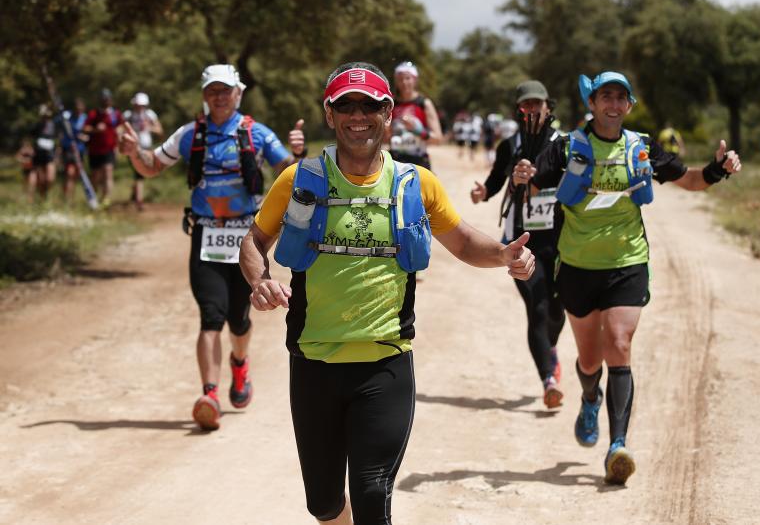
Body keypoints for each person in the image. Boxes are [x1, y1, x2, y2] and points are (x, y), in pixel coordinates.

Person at [238, 61, 534, 525]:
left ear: (388, 112)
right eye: (346, 106)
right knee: (324, 503)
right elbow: (253, 242)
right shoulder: (299, 181)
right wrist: (259, 281)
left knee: (373, 494)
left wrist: (503, 256)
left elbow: (461, 240)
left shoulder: (414, 184)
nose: (359, 115)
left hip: (385, 363)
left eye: (370, 105)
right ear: (330, 115)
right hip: (314, 362)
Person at [521, 71, 742, 485]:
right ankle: (590, 396)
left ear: (629, 106)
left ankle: (617, 445)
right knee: (589, 359)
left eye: (621, 98)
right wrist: (522, 178)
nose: (613, 105)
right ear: (592, 103)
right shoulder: (567, 146)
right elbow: (533, 184)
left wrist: (718, 169)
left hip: (627, 261)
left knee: (619, 343)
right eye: (606, 96)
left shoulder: (641, 147)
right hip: (577, 264)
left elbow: (690, 180)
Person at [118, 64, 306, 431]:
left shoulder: (256, 133)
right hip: (206, 237)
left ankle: (240, 363)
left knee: (239, 319)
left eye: (226, 90)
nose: (219, 97)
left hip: (247, 239)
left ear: (239, 93)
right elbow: (152, 166)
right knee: (210, 315)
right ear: (205, 95)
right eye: (212, 91)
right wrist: (133, 153)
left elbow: (290, 172)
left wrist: (298, 152)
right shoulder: (190, 135)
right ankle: (209, 395)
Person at [471, 80, 565, 410]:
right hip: (522, 241)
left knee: (556, 310)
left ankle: (549, 349)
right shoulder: (509, 145)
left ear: (548, 108)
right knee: (536, 308)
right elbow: (497, 178)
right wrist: (485, 191)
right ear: (518, 109)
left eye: (538, 104)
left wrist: (539, 180)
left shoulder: (562, 144)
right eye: (526, 105)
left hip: (560, 240)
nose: (532, 110)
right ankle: (548, 381)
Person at [387, 61, 443, 169]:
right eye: (400, 79)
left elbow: (438, 139)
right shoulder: (391, 104)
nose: (404, 82)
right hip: (395, 161)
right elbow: (385, 138)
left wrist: (418, 130)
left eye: (407, 78)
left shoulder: (424, 103)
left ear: (415, 79)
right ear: (396, 81)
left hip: (419, 161)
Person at [84, 89, 124, 206]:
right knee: (95, 176)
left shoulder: (115, 114)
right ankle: (93, 199)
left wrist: (120, 131)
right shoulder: (94, 114)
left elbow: (122, 126)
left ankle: (106, 199)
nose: (106, 101)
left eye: (108, 99)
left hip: (109, 149)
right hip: (94, 150)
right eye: (104, 99)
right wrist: (96, 129)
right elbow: (85, 128)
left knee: (108, 172)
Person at [123, 92, 163, 210]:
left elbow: (159, 130)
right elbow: (121, 129)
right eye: (138, 105)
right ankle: (139, 202)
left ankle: (135, 194)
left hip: (146, 147)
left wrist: (149, 127)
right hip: (133, 147)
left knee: (140, 172)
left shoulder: (150, 115)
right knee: (139, 173)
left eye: (142, 105)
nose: (140, 107)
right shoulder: (128, 115)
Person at [60, 98, 89, 203]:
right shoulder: (67, 117)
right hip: (69, 149)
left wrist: (84, 137)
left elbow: (88, 131)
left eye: (80, 109)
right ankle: (66, 198)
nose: (78, 111)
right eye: (77, 108)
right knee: (69, 173)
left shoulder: (85, 118)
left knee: (76, 174)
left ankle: (71, 198)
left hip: (80, 149)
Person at [30, 104, 58, 201]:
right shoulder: (37, 125)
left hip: (50, 154)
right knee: (41, 179)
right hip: (39, 154)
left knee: (50, 178)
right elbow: (30, 138)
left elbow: (58, 139)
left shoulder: (54, 125)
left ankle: (45, 194)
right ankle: (42, 198)